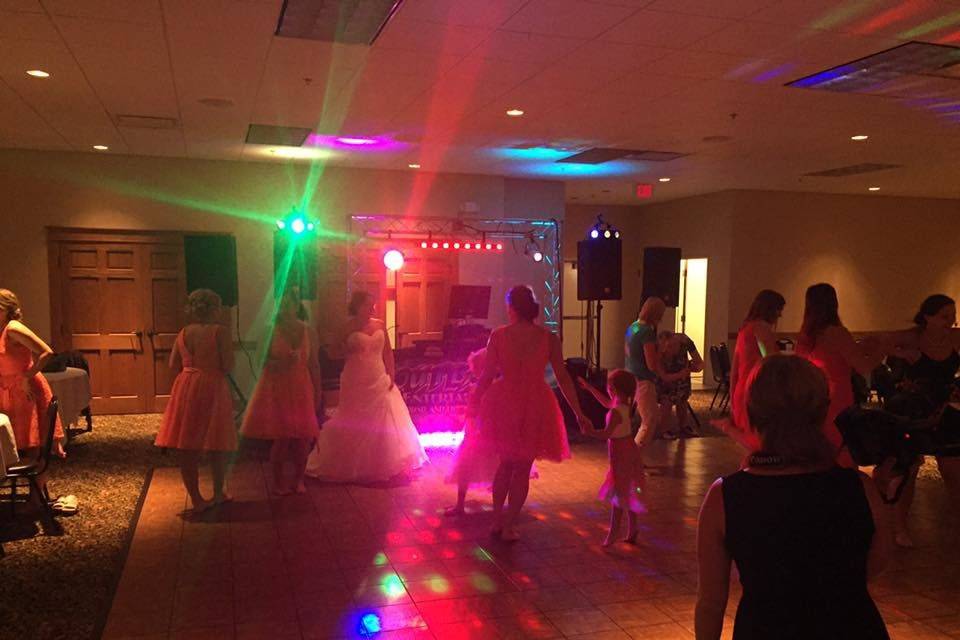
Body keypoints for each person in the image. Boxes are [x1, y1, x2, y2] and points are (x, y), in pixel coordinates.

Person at [695, 355, 892, 640]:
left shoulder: (725, 496)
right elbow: (875, 564)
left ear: (753, 413)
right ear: (822, 412)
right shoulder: (859, 486)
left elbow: (711, 602)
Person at [470, 285, 591, 541]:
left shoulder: (499, 335)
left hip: (504, 400)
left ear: (511, 307)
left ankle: (497, 520)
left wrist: (474, 402)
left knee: (505, 464)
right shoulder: (548, 337)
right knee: (522, 468)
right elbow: (563, 377)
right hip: (537, 401)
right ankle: (509, 524)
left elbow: (487, 375)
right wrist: (578, 411)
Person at [306, 291, 427, 483]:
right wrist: (345, 349)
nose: (371, 308)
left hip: (378, 375)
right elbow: (334, 352)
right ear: (357, 306)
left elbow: (387, 352)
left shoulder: (379, 324)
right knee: (354, 417)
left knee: (384, 417)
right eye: (367, 305)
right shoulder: (346, 327)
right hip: (356, 376)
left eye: (373, 304)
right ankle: (351, 463)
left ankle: (383, 462)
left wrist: (391, 373)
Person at [883, 294, 960, 547]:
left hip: (944, 410)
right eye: (944, 316)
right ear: (928, 317)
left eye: (953, 315)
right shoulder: (914, 337)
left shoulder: (954, 337)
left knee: (953, 471)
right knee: (909, 470)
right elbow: (881, 344)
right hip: (915, 411)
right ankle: (899, 527)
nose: (950, 321)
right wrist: (903, 357)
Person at [155, 290, 236, 513]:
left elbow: (173, 364)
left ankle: (197, 499)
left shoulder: (182, 333)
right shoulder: (220, 332)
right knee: (217, 442)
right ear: (215, 309)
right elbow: (228, 364)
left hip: (186, 385)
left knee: (188, 444)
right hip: (212, 385)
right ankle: (218, 493)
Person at [796, 284, 887, 467]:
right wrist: (882, 350)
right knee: (842, 453)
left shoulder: (806, 335)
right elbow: (864, 368)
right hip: (837, 400)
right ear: (833, 303)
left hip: (813, 399)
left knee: (820, 454)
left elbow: (828, 357)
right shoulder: (837, 333)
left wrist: (859, 347)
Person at [241, 288, 321, 495]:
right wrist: (282, 362)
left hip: (301, 386)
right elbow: (261, 361)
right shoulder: (270, 330)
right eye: (282, 304)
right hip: (276, 388)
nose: (286, 308)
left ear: (297, 306)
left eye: (289, 303)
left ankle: (298, 480)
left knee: (303, 437)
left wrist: (318, 390)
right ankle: (278, 482)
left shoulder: (308, 331)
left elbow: (314, 364)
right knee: (282, 438)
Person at [0, 289, 64, 493]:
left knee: (32, 444)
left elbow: (47, 352)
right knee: (14, 442)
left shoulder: (13, 328)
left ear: (5, 308)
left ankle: (37, 498)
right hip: (9, 389)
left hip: (25, 389)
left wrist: (27, 377)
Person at [578, 369, 645, 546]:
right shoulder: (625, 405)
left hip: (620, 451)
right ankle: (633, 529)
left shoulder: (616, 412)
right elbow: (608, 403)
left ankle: (614, 532)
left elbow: (607, 433)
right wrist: (590, 388)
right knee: (628, 488)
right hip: (629, 449)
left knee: (620, 491)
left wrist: (590, 431)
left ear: (614, 388)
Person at [444, 348, 501, 516]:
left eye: (475, 369)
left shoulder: (483, 387)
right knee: (497, 463)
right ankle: (500, 504)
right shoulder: (497, 386)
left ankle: (460, 505)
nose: (473, 372)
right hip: (484, 428)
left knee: (467, 464)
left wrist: (468, 417)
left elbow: (478, 409)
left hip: (477, 429)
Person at [725, 290, 785, 450]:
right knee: (760, 444)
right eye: (779, 309)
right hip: (757, 391)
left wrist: (732, 397)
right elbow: (771, 361)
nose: (780, 315)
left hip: (742, 390)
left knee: (749, 444)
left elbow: (735, 368)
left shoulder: (745, 329)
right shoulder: (762, 329)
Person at [625, 297, 682, 447]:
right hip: (643, 380)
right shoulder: (647, 332)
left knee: (637, 418)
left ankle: (633, 456)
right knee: (649, 420)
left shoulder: (632, 328)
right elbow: (651, 364)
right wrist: (661, 352)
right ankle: (635, 457)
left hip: (631, 376)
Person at [656, 330, 704, 439]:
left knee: (682, 400)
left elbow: (699, 362)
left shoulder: (686, 341)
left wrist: (694, 368)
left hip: (682, 378)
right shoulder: (658, 348)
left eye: (672, 346)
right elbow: (663, 376)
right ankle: (664, 430)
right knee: (666, 402)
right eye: (666, 348)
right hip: (664, 381)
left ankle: (684, 426)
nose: (669, 350)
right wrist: (680, 374)